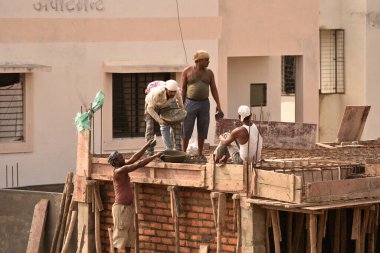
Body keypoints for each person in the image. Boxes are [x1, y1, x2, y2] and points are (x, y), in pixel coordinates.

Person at [108, 140, 162, 253]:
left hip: (127, 208)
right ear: (116, 161)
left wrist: (147, 145)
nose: (123, 159)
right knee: (120, 238)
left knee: (128, 237)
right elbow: (139, 164)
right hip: (121, 209)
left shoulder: (122, 167)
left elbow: (135, 157)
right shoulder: (119, 171)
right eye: (121, 157)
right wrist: (155, 155)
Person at [181, 50, 224, 160]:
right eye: (206, 60)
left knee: (203, 127)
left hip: (204, 103)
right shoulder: (187, 71)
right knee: (187, 128)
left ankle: (200, 154)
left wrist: (218, 104)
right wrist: (181, 105)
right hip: (190, 103)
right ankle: (183, 153)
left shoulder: (209, 73)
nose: (208, 62)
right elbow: (183, 89)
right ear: (199, 60)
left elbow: (213, 89)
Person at [145, 80, 185, 155]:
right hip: (152, 105)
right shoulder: (157, 93)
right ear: (166, 89)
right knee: (150, 127)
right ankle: (149, 152)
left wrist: (182, 111)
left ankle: (175, 149)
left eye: (174, 91)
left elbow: (179, 101)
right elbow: (150, 108)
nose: (173, 93)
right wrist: (159, 120)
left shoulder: (177, 92)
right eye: (170, 91)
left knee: (175, 122)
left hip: (165, 105)